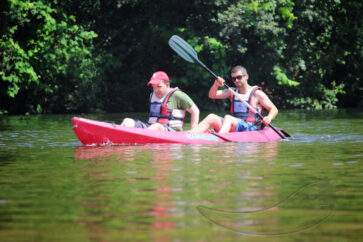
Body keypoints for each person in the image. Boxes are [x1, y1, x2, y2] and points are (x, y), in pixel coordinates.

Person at [192, 65, 278, 133]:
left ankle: (220, 139)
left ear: (246, 76)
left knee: (228, 118)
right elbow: (212, 95)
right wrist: (216, 84)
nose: (236, 80)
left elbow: (274, 109)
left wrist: (269, 117)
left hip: (250, 127)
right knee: (211, 117)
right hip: (233, 124)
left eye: (239, 77)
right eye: (233, 78)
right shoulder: (231, 92)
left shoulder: (257, 94)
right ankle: (192, 135)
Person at [121, 71, 199, 131]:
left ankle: (139, 138)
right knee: (127, 121)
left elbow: (195, 111)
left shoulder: (178, 95)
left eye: (159, 86)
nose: (156, 90)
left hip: (172, 131)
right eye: (153, 87)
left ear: (167, 85)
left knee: (156, 126)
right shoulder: (152, 95)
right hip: (152, 128)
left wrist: (193, 132)